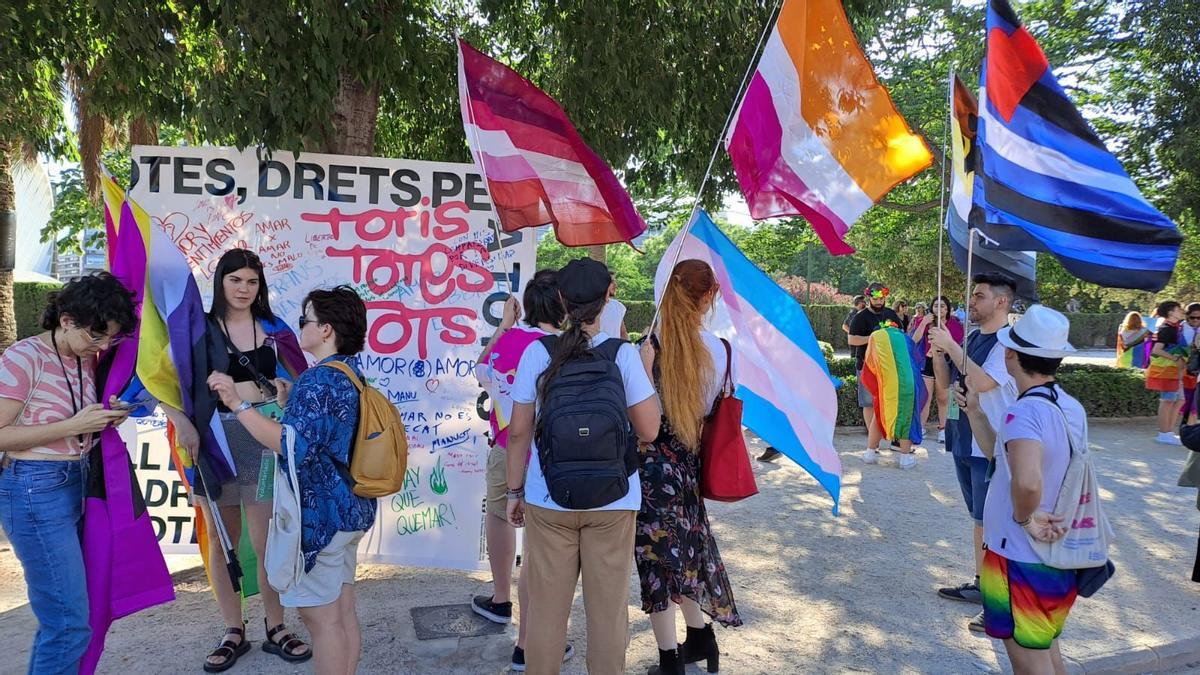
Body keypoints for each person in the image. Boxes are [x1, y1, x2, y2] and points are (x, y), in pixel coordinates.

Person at [208, 285, 377, 675]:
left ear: (326, 330)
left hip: (319, 519)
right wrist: (287, 403)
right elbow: (320, 436)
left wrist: (237, 404)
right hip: (348, 510)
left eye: (306, 320)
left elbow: (288, 444)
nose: (299, 327)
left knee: (322, 621)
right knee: (341, 610)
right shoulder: (347, 373)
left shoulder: (319, 381)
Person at [505, 258, 661, 675]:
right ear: (609, 294)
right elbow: (649, 430)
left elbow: (518, 433)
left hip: (548, 497)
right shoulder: (622, 354)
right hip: (613, 500)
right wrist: (645, 369)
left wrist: (514, 492)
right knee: (608, 614)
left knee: (545, 614)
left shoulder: (538, 353)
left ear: (560, 299)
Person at [160, 249, 311, 671]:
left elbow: (299, 384)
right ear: (220, 282)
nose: (244, 289)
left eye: (252, 282)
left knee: (266, 543)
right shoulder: (197, 329)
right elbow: (160, 384)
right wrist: (183, 425)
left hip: (261, 445)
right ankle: (232, 629)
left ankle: (276, 625)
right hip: (210, 445)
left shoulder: (276, 328)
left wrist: (262, 393)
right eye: (236, 280)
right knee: (221, 542)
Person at [0, 273, 137, 673]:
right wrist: (75, 426)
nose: (103, 346)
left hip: (76, 483)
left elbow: (78, 420)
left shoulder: (85, 356)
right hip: (34, 490)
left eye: (110, 337)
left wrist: (105, 416)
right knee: (68, 624)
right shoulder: (23, 358)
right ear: (65, 320)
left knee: (69, 619)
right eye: (96, 336)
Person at [956, 305, 1087, 675]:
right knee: (1046, 647)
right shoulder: (1068, 406)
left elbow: (1026, 480)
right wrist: (976, 413)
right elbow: (1002, 455)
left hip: (1019, 554)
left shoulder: (1023, 412)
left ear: (1011, 354)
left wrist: (1024, 518)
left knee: (1028, 659)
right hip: (1055, 553)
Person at [636, 260, 742, 675]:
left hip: (650, 469)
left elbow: (641, 418)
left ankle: (669, 661)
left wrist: (644, 369)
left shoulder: (649, 346)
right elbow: (718, 405)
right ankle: (701, 638)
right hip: (689, 465)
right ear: (708, 296)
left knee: (657, 563)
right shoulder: (720, 349)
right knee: (688, 552)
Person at [472, 270, 575, 671]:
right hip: (553, 459)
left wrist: (503, 328)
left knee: (498, 517)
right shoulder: (570, 348)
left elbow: (481, 372)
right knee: (540, 549)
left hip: (505, 448)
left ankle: (500, 599)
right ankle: (529, 642)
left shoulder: (511, 343)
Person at [929, 273, 1019, 632]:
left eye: (979, 295)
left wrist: (951, 346)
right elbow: (948, 380)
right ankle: (983, 585)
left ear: (1001, 301)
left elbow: (983, 382)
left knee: (995, 522)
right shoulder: (968, 338)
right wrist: (939, 352)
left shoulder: (1008, 342)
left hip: (991, 442)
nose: (972, 300)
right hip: (965, 436)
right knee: (979, 519)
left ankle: (1000, 600)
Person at [847, 283, 907, 466]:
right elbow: (852, 339)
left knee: (889, 401)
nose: (879, 301)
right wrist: (874, 338)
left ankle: (888, 437)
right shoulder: (860, 317)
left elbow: (901, 333)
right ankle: (873, 442)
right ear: (869, 298)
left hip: (889, 367)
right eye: (875, 298)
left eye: (882, 298)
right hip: (866, 365)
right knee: (869, 403)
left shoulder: (890, 314)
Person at [910, 296, 964, 444]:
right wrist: (924, 323)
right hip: (927, 361)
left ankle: (943, 428)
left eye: (942, 306)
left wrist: (942, 325)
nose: (938, 309)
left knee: (943, 397)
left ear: (947, 309)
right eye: (935, 306)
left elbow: (956, 343)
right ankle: (920, 427)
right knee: (925, 396)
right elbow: (914, 340)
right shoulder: (924, 321)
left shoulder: (955, 324)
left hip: (945, 362)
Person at [1146, 300, 1186, 445]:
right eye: (1178, 309)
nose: (1181, 311)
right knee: (1167, 400)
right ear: (1170, 312)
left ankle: (1168, 431)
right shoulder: (1167, 328)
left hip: (1175, 371)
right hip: (1167, 370)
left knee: (1179, 399)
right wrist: (1175, 358)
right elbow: (1157, 350)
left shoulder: (1175, 328)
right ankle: (1163, 433)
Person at [598, 274, 629, 340]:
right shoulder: (592, 307)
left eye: (615, 281)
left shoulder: (618, 306)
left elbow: (623, 333)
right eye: (611, 282)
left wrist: (628, 347)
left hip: (615, 348)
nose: (615, 285)